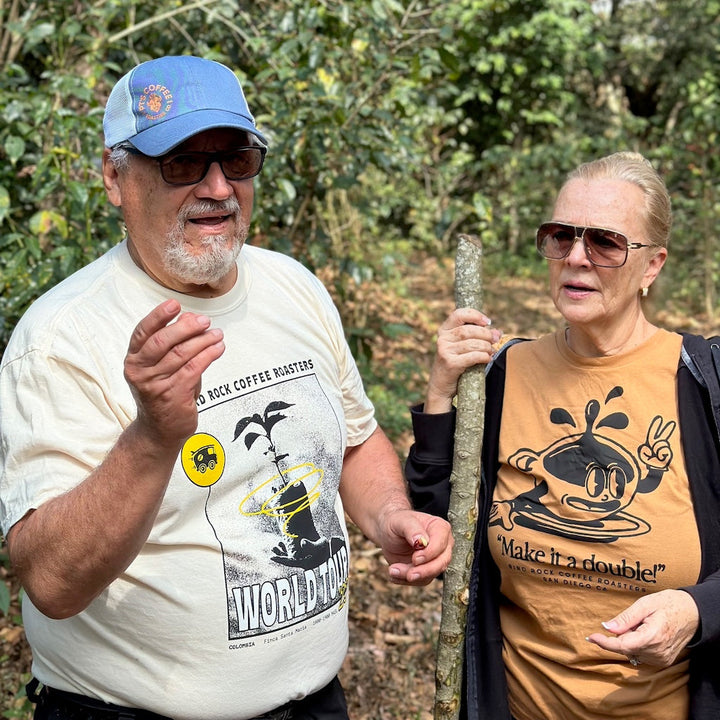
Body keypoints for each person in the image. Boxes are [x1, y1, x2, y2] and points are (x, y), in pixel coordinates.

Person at [0, 55, 452, 720]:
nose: (217, 186)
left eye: (237, 159)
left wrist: (390, 516)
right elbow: (50, 583)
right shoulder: (61, 337)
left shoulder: (292, 286)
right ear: (113, 176)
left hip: (314, 702)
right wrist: (154, 437)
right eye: (183, 162)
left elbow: (355, 440)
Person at [406, 151, 720, 719]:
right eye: (560, 237)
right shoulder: (504, 374)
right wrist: (441, 392)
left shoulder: (705, 384)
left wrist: (701, 611)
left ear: (653, 266)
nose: (576, 257)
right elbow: (439, 527)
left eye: (605, 242)